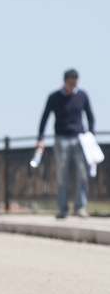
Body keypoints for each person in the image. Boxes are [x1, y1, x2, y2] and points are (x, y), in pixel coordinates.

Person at [37, 69, 95, 219]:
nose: (72, 86)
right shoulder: (54, 97)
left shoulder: (82, 95)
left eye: (75, 83)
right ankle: (63, 209)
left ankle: (80, 207)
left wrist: (91, 135)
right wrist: (40, 138)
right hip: (60, 138)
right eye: (70, 83)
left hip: (79, 138)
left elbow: (90, 116)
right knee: (61, 175)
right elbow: (44, 117)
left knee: (82, 174)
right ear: (64, 82)